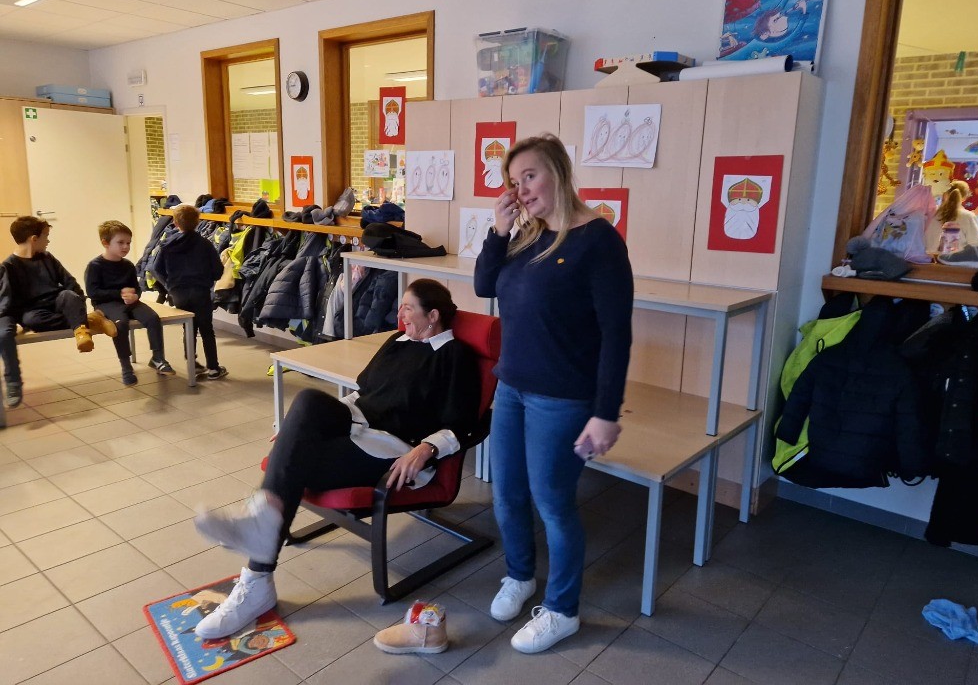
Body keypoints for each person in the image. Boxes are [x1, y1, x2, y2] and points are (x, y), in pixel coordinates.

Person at [191, 279, 480, 639]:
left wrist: (427, 449)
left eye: (408, 307)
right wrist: (298, 428)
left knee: (293, 465)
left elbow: (465, 423)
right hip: (358, 426)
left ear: (433, 315)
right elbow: (362, 393)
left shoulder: (455, 356)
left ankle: (256, 576)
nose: (400, 313)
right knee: (309, 401)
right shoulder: (398, 342)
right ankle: (260, 532)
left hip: (394, 450)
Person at [474, 134, 633, 654]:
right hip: (512, 387)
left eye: (530, 176)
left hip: (563, 398)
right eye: (514, 181)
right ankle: (520, 575)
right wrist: (498, 231)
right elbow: (484, 285)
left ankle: (563, 609)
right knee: (507, 493)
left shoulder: (599, 241)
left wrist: (606, 413)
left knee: (553, 502)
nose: (521, 189)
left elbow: (616, 334)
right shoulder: (527, 236)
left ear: (559, 173)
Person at [0, 216, 117, 408]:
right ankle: (88, 320)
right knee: (32, 320)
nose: (48, 240)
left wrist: (79, 302)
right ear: (33, 239)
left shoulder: (48, 258)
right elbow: (9, 301)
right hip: (35, 311)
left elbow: (69, 282)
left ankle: (81, 330)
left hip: (57, 301)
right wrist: (17, 322)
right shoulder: (9, 266)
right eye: (45, 236)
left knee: (68, 295)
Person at [84, 220, 175, 386]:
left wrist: (135, 296)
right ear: (105, 243)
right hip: (106, 304)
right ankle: (126, 366)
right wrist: (120, 294)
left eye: (128, 243)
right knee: (121, 324)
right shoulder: (95, 266)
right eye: (120, 242)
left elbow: (136, 288)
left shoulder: (128, 265)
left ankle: (157, 357)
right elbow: (93, 292)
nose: (125, 246)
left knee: (152, 318)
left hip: (130, 302)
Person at [153, 205, 227, 379]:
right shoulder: (205, 244)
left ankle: (192, 364)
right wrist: (209, 278)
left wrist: (169, 285)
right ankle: (213, 368)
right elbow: (218, 270)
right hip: (201, 291)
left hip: (178, 292)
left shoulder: (167, 245)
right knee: (206, 329)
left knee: (188, 327)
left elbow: (156, 269)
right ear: (197, 222)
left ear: (175, 222)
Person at [925, 180, 978, 254]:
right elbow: (975, 243)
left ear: (946, 194)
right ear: (964, 198)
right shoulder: (968, 216)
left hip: (930, 257)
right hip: (954, 259)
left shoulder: (933, 212)